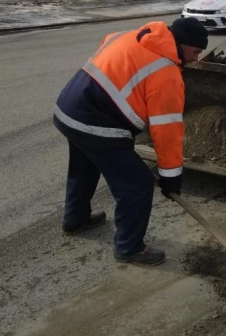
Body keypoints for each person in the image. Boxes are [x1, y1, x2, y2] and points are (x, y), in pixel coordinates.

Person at [53, 18, 208, 265]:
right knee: (137, 185)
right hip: (97, 123)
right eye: (196, 51)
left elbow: (107, 45)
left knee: (84, 166)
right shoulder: (166, 73)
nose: (196, 59)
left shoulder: (129, 35)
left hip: (68, 109)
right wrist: (171, 176)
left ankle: (76, 219)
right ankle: (129, 247)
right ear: (183, 44)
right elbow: (166, 131)